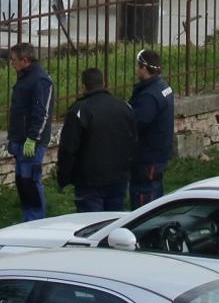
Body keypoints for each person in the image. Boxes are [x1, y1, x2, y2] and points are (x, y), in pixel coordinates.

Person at [56, 67, 137, 213]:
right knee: (114, 220)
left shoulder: (79, 111)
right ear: (104, 83)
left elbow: (68, 148)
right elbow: (133, 140)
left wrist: (63, 177)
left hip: (89, 180)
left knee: (91, 225)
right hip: (118, 176)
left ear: (83, 87)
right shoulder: (123, 107)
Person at [5, 42, 54, 222]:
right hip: (19, 138)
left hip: (31, 141)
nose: (12, 63)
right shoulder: (24, 77)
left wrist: (33, 138)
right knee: (22, 181)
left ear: (25, 60)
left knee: (31, 181)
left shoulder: (40, 80)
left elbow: (42, 112)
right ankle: (28, 217)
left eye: (14, 60)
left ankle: (36, 220)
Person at [128, 48, 175, 208]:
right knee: (155, 189)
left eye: (137, 66)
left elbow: (136, 124)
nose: (136, 70)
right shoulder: (163, 87)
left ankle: (146, 228)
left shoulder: (149, 96)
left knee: (144, 196)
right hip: (159, 153)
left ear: (143, 68)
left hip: (148, 156)